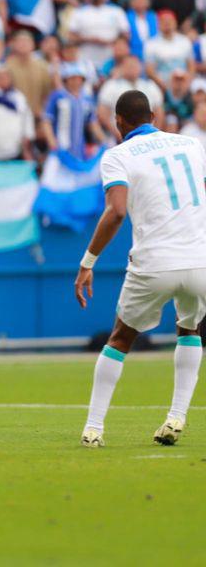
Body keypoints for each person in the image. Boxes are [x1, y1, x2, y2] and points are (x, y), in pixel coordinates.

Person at [75, 90, 206, 449]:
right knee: (190, 328)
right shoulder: (192, 144)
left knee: (120, 338)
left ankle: (93, 428)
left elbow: (116, 211)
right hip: (199, 260)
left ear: (119, 121)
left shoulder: (117, 155)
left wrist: (88, 262)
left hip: (155, 263)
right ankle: (176, 416)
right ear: (154, 116)